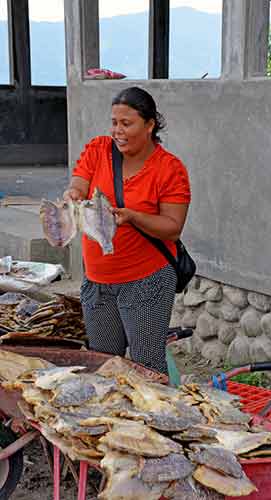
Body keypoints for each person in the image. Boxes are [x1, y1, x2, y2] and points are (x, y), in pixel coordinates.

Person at [63, 86, 191, 374]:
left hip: (146, 280)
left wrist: (134, 217)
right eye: (114, 122)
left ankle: (153, 418)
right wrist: (72, 194)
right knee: (103, 363)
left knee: (146, 365)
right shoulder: (98, 149)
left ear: (149, 125)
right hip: (98, 280)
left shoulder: (169, 169)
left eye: (126, 123)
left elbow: (172, 228)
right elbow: (80, 183)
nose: (117, 131)